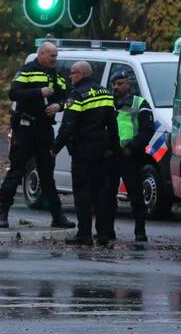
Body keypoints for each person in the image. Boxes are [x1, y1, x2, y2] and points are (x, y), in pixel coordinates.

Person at [0, 41, 75, 229]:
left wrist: (59, 105)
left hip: (44, 131)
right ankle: (2, 213)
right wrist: (38, 92)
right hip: (25, 129)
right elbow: (14, 93)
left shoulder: (56, 75)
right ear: (41, 55)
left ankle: (57, 216)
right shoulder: (27, 71)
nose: (55, 59)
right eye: (52, 55)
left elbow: (70, 98)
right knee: (16, 171)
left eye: (56, 56)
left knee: (47, 175)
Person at [52, 61, 119, 246]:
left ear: (80, 74)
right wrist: (113, 148)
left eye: (72, 73)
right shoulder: (105, 93)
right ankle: (103, 235)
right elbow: (112, 125)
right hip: (101, 152)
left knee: (82, 194)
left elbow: (68, 125)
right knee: (101, 195)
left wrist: (55, 148)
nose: (70, 76)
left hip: (82, 152)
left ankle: (84, 235)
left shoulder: (77, 95)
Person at [104, 69, 156, 243]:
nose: (116, 87)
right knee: (107, 195)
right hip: (111, 155)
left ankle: (140, 232)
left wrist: (132, 147)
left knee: (135, 195)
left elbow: (147, 130)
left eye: (120, 84)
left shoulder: (140, 103)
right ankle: (108, 231)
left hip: (130, 156)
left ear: (129, 84)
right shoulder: (108, 103)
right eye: (114, 84)